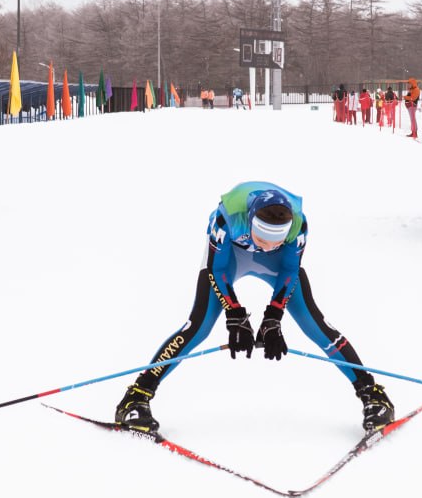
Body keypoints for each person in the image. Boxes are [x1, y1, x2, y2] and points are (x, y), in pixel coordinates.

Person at [114, 181, 395, 434]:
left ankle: (373, 394)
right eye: (262, 238)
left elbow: (288, 269)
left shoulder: (297, 229)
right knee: (198, 327)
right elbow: (218, 270)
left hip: (276, 267)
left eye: (276, 240)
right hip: (229, 257)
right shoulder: (226, 220)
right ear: (250, 223)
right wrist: (235, 315)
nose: (268, 246)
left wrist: (273, 316)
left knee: (314, 323)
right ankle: (136, 397)